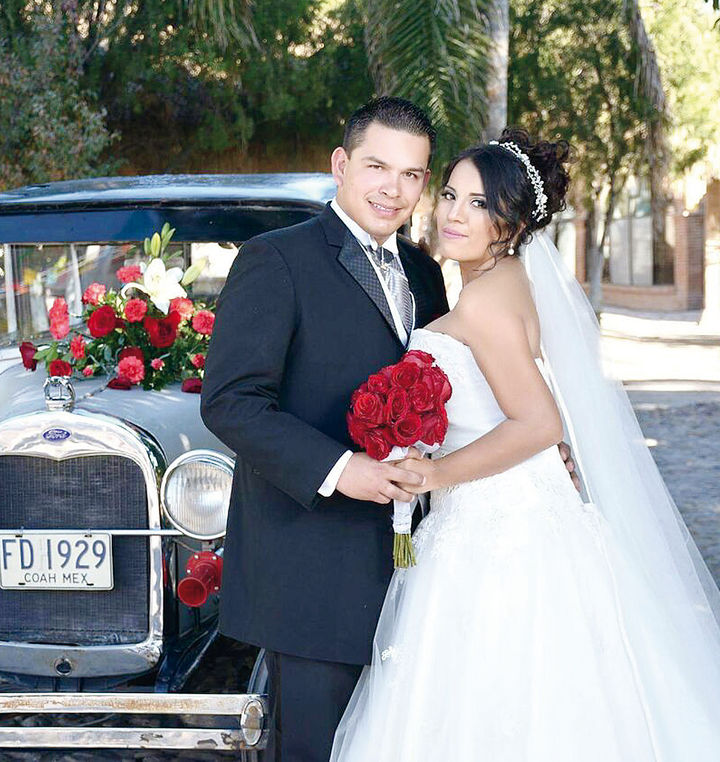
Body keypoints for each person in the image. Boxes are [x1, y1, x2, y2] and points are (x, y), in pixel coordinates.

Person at [330, 130, 720, 761]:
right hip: (521, 516)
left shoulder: (483, 301)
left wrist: (434, 475)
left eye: (479, 205)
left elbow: (540, 423)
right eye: (451, 193)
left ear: (509, 223)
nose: (454, 212)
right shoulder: (506, 281)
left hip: (497, 535)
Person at [200, 97, 449, 761]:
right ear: (340, 165)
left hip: (412, 568)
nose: (392, 189)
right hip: (309, 571)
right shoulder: (276, 259)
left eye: (412, 174)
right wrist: (345, 471)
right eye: (376, 166)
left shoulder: (425, 273)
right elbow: (231, 401)